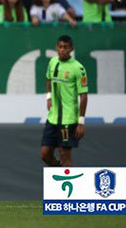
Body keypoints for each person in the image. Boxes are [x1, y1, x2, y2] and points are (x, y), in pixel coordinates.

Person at [40, 35, 88, 167]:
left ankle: (67, 183)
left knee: (64, 153)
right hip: (53, 117)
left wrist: (81, 122)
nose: (62, 50)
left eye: (65, 47)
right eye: (60, 47)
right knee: (45, 154)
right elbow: (48, 78)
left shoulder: (78, 68)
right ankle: (60, 173)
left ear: (71, 49)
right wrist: (48, 97)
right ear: (56, 47)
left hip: (68, 119)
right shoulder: (53, 62)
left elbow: (83, 96)